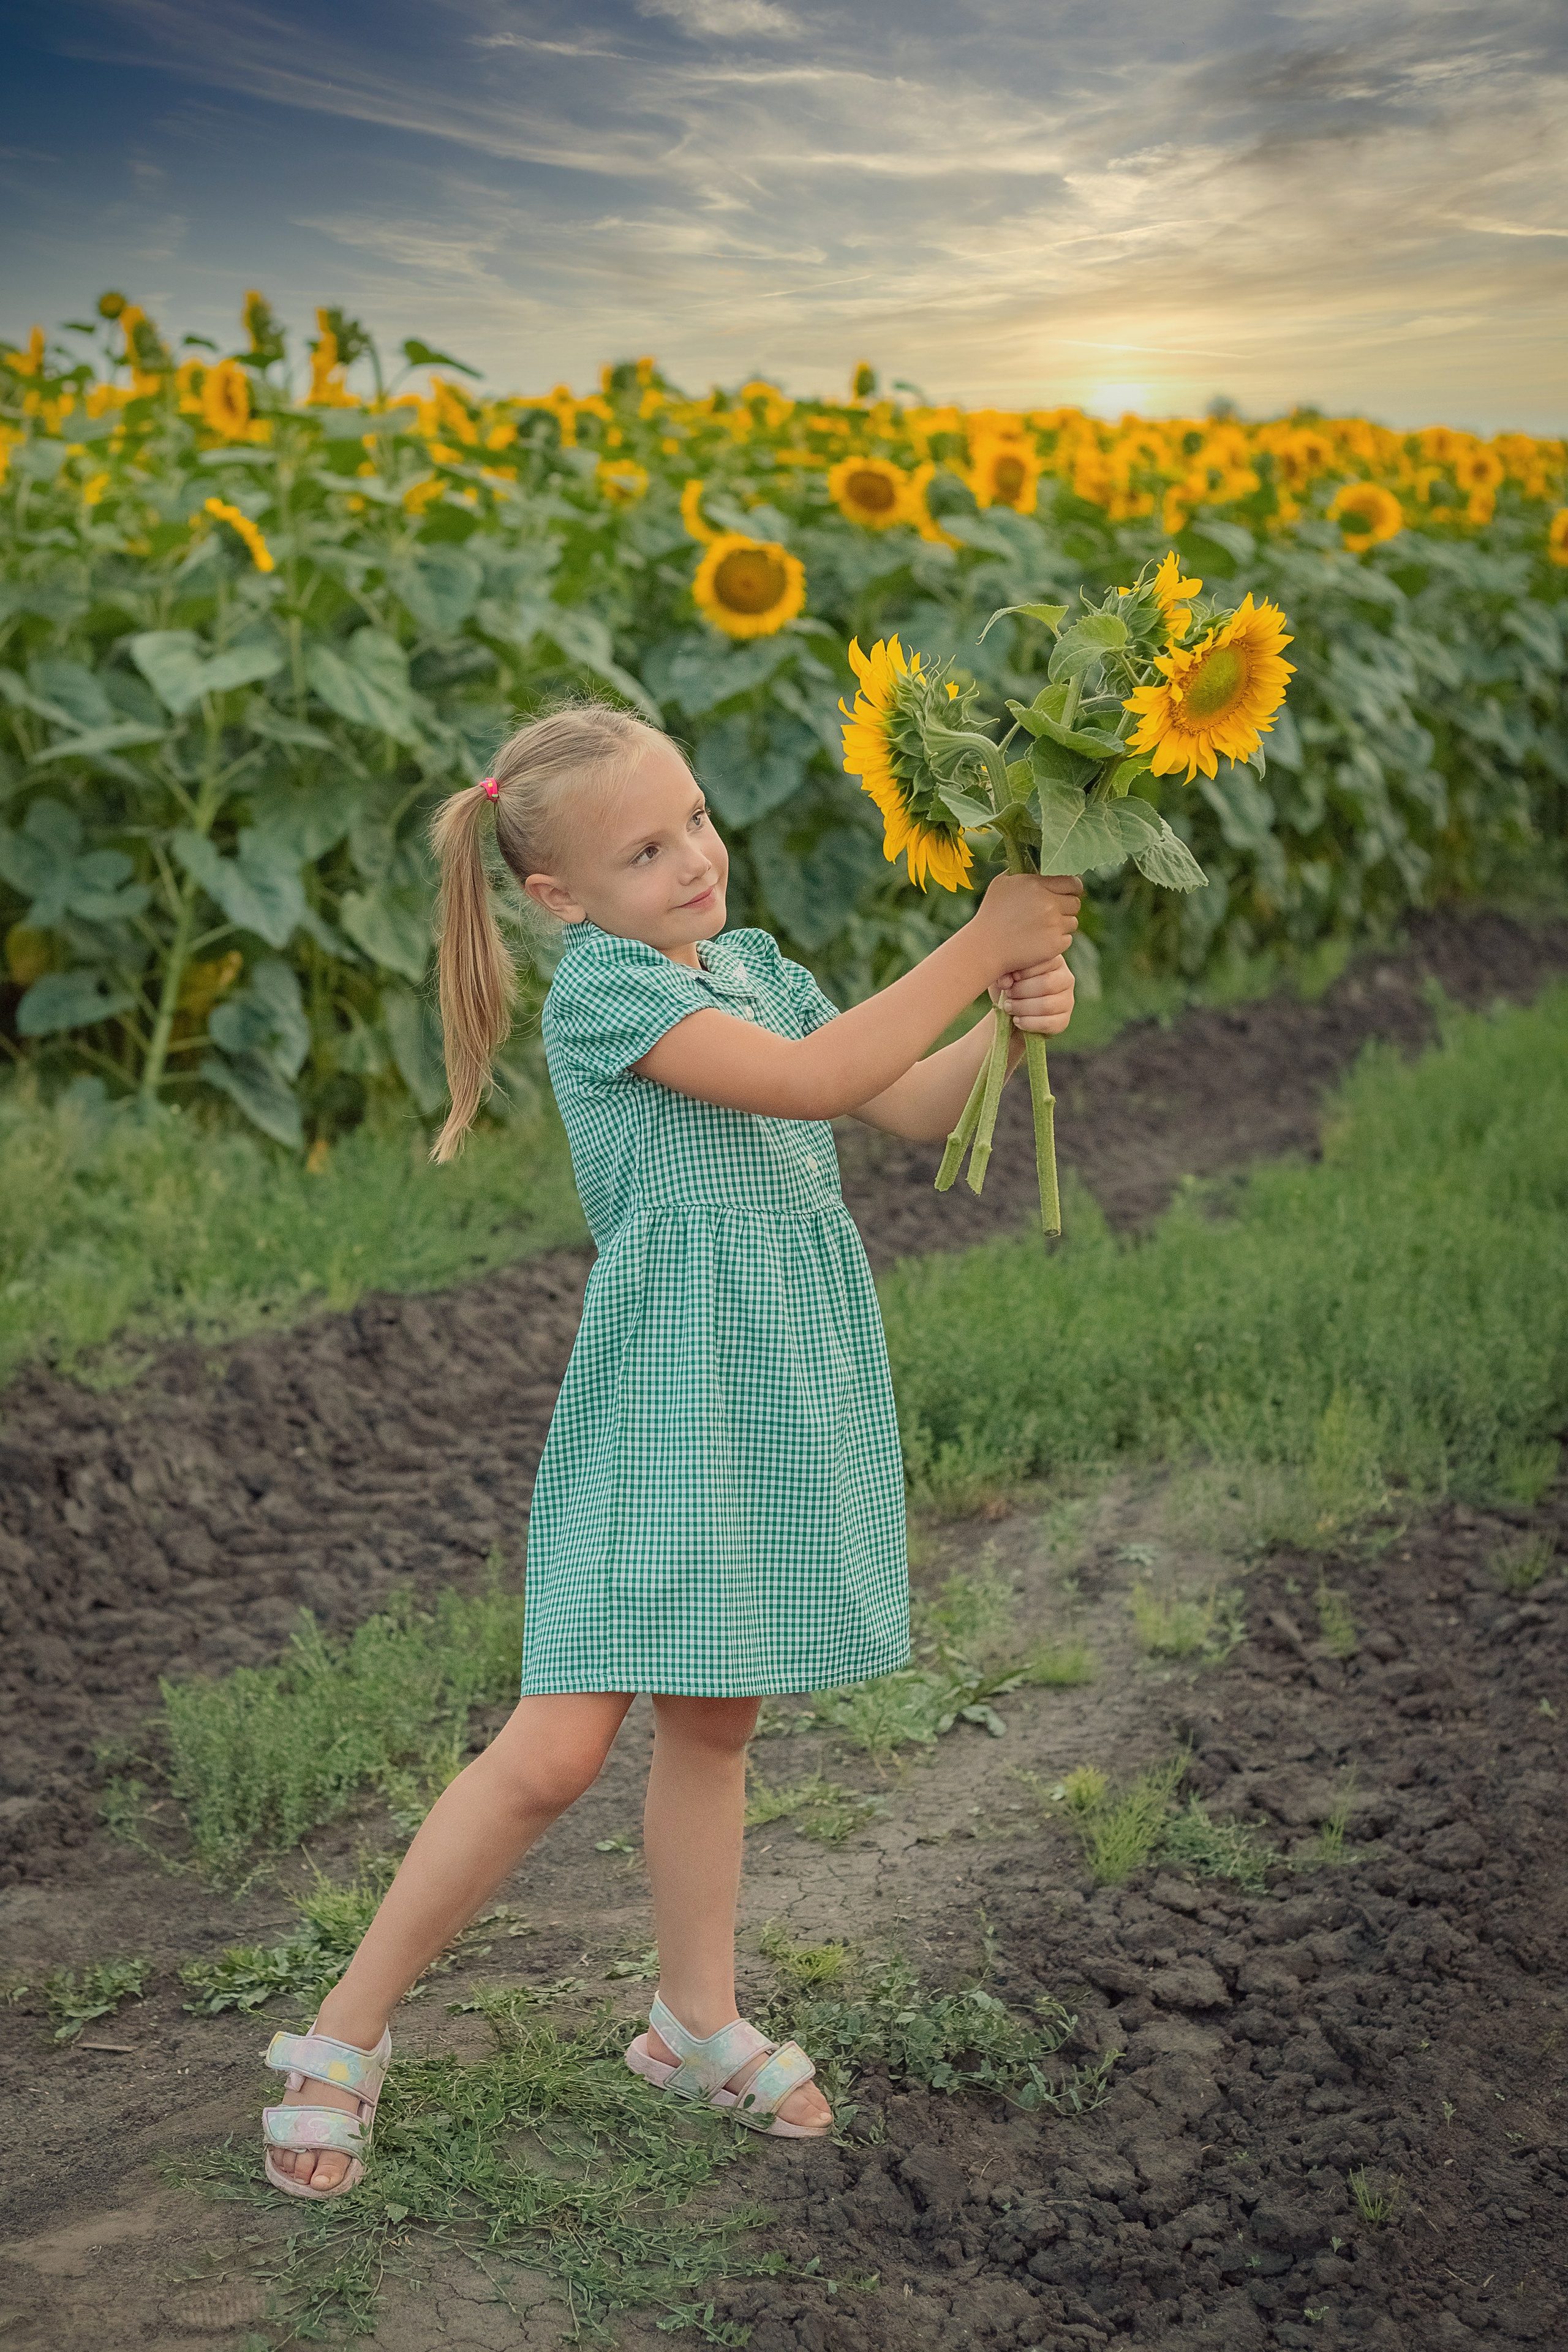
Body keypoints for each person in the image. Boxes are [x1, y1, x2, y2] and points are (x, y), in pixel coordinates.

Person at [260, 702, 1080, 2196]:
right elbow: (813, 1083)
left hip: (773, 1382)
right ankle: (344, 2030)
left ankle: (690, 2020)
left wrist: (1006, 1020)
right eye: (644, 851)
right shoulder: (603, 997)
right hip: (666, 1390)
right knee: (556, 1748)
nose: (694, 859)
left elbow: (897, 1100)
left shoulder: (760, 967)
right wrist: (975, 940)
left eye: (693, 820)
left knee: (715, 1723)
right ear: (558, 896)